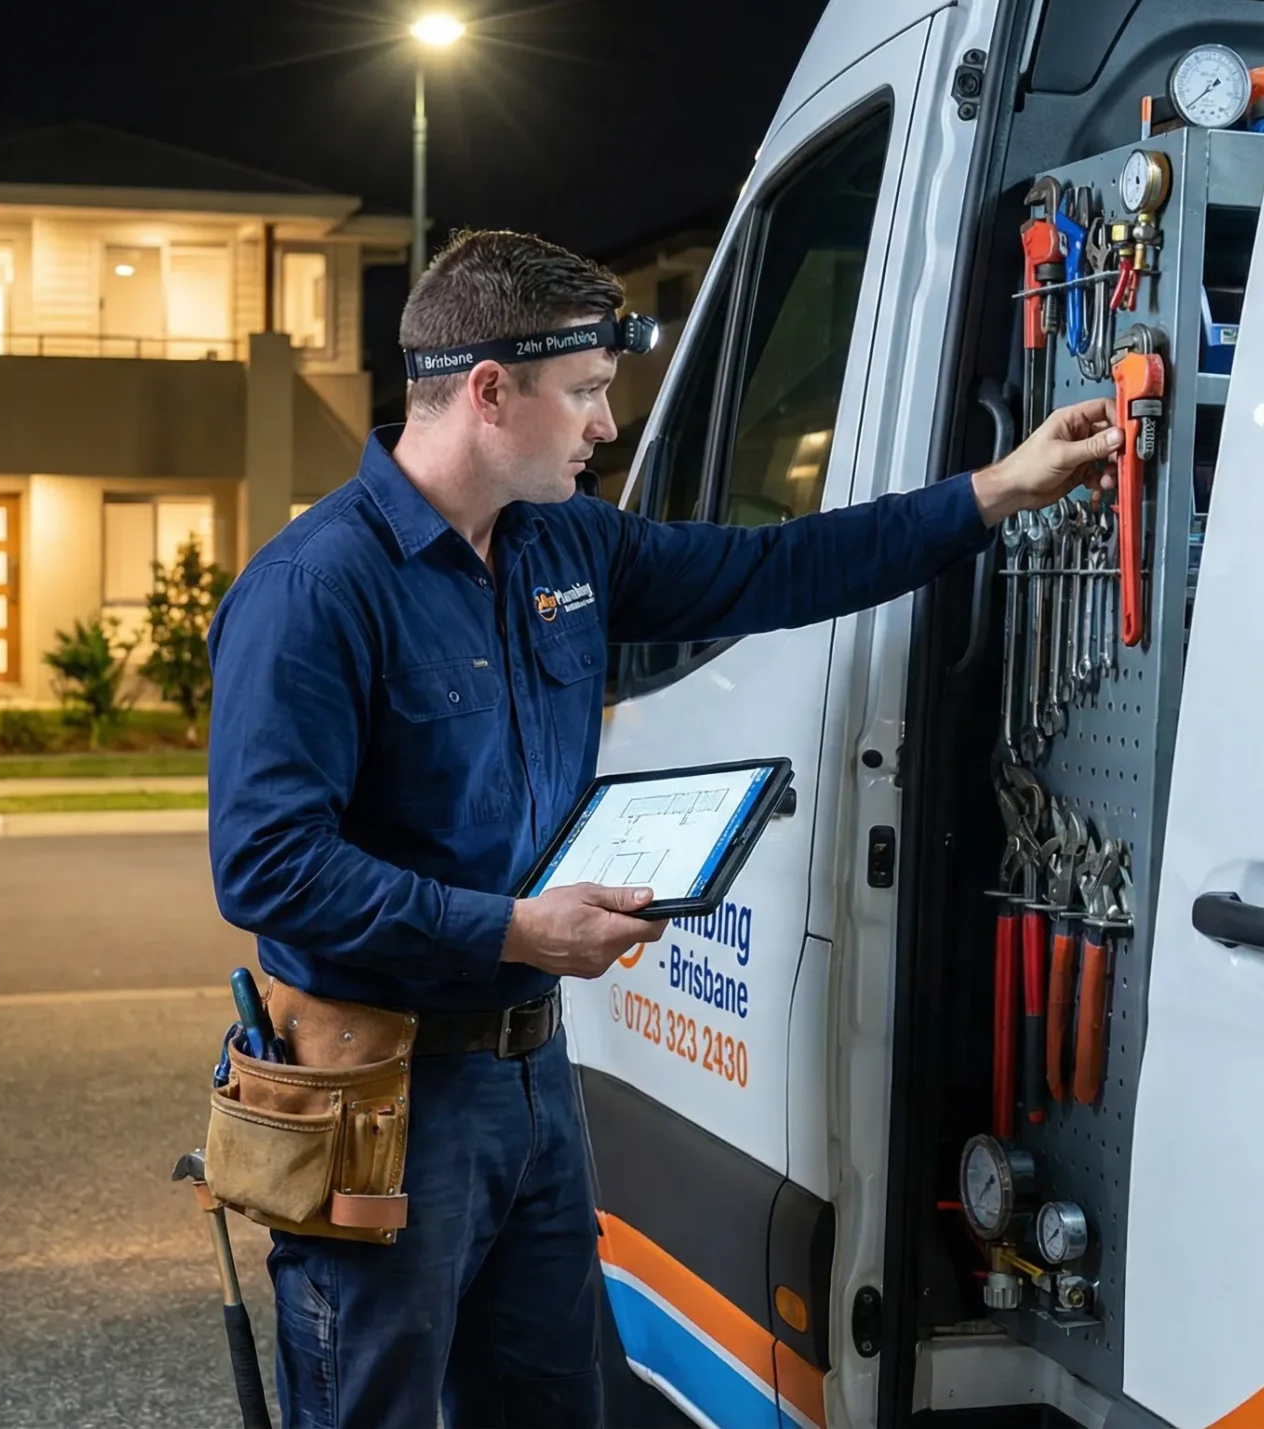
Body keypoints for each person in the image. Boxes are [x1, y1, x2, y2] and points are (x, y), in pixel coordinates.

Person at [207, 230, 1120, 1429]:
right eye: (585, 394)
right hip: (382, 1090)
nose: (603, 427)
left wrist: (994, 492)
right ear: (490, 391)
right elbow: (270, 866)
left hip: (531, 1079)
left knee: (547, 1405)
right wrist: (513, 927)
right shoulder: (315, 589)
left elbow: (777, 569)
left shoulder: (562, 543)